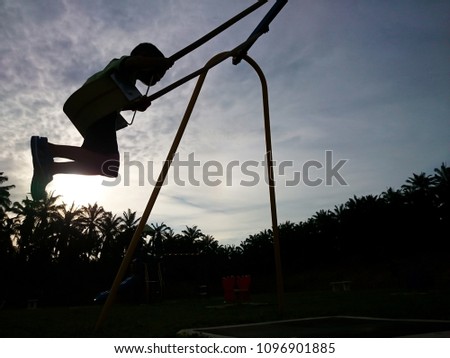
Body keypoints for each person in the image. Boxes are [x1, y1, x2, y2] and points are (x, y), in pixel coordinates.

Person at [30, 43, 173, 200]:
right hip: (98, 109)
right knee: (110, 164)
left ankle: (50, 168)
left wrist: (134, 105)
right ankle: (47, 149)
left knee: (107, 167)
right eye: (156, 74)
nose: (156, 78)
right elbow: (133, 62)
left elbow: (116, 99)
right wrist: (161, 63)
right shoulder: (123, 64)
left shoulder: (126, 82)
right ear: (145, 57)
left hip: (99, 112)